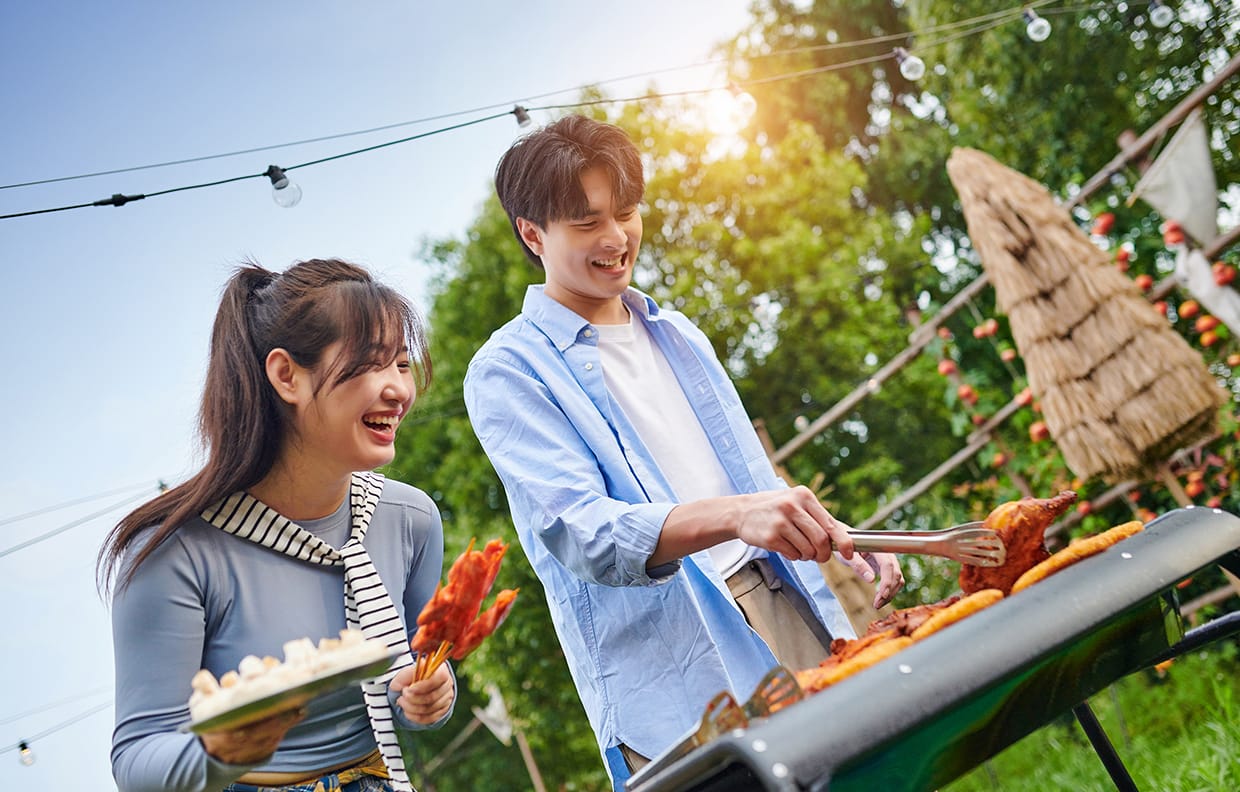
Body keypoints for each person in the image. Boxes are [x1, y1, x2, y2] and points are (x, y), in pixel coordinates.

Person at [463, 114, 905, 788]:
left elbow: (749, 480)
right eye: (586, 223)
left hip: (780, 598)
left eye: (627, 211)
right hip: (676, 663)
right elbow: (584, 532)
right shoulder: (509, 371)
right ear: (533, 234)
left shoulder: (677, 333)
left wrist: (834, 531)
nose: (616, 238)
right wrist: (735, 516)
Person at [98, 258, 456, 792]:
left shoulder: (410, 521)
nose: (398, 390)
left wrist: (429, 693)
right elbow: (137, 758)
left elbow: (414, 678)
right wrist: (216, 752)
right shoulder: (177, 551)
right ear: (287, 375)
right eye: (370, 365)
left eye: (401, 364)